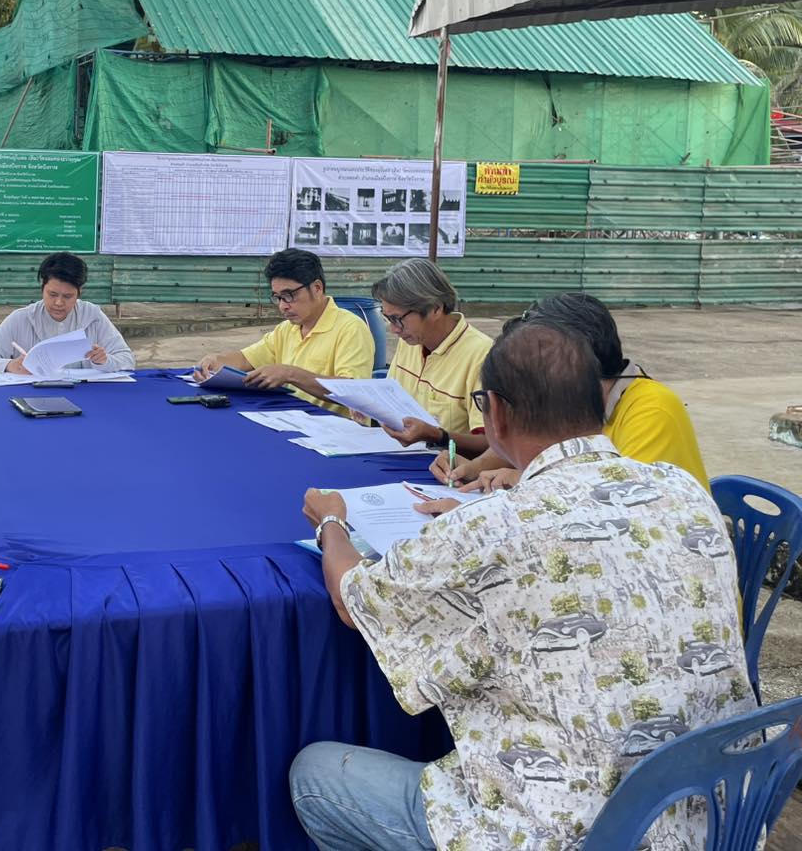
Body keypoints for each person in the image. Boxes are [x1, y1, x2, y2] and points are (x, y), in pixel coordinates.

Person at [292, 324, 752, 850]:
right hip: (715, 814)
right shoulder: (683, 489)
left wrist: (332, 522)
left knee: (316, 774)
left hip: (562, 830)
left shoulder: (490, 528)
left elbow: (356, 600)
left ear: (496, 413)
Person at [434, 293, 709, 494]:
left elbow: (616, 497)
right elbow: (526, 442)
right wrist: (473, 467)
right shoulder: (566, 403)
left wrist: (521, 479)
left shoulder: (652, 409)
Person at [196, 249, 374, 407]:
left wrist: (291, 374)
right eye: (278, 297)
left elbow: (354, 392)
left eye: (289, 295)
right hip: (294, 420)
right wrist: (215, 361)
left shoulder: (350, 328)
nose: (283, 306)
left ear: (317, 288)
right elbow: (245, 359)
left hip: (338, 433)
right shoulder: (287, 329)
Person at [370, 259, 491, 457]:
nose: (393, 329)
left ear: (435, 308)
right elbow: (391, 399)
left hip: (448, 472)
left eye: (397, 319)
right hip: (398, 455)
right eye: (387, 318)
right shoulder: (411, 340)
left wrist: (437, 436)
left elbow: (491, 445)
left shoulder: (482, 355)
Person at [0, 252, 135, 374]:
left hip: (85, 399)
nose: (59, 303)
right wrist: (10, 365)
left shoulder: (92, 316)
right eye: (52, 294)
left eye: (68, 296)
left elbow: (127, 360)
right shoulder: (21, 319)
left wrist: (104, 361)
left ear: (80, 292)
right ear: (42, 288)